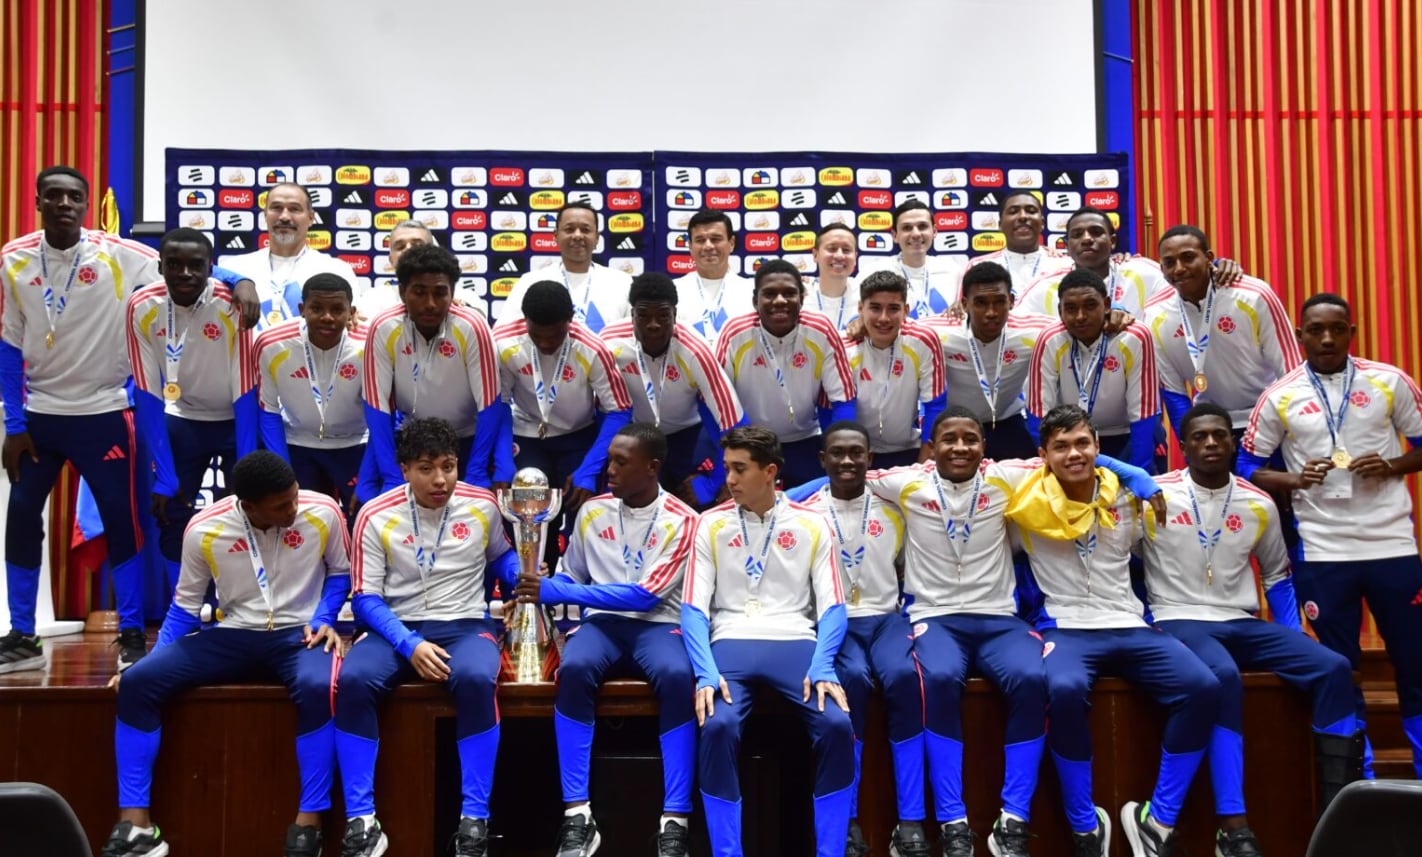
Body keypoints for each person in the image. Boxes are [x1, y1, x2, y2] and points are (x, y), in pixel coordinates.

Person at [824, 406, 1158, 857]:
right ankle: (953, 820)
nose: (960, 447)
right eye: (949, 439)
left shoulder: (1008, 476)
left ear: (985, 446)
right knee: (937, 679)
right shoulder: (906, 482)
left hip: (1000, 619)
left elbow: (1072, 456)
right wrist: (785, 493)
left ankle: (1012, 819)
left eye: (970, 439)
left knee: (1033, 678)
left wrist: (1138, 476)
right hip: (936, 617)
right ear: (931, 448)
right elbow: (840, 479)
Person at [101, 450, 350, 857]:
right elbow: (185, 607)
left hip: (299, 634)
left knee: (319, 685)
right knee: (138, 683)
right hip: (234, 633)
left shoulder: (323, 510)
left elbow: (340, 573)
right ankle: (136, 826)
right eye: (281, 506)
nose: (293, 508)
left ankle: (309, 823)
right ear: (248, 506)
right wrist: (153, 658)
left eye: (294, 496)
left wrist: (324, 617)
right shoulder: (205, 527)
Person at [1140, 402, 1360, 856]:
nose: (1210, 443)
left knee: (1334, 667)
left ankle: (1339, 815)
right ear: (1183, 446)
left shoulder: (1259, 502)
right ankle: (1233, 826)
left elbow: (1277, 575)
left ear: (1233, 442)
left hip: (1241, 620)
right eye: (1199, 437)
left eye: (1219, 435)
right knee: (1223, 676)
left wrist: (1292, 632)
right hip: (1176, 616)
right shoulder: (1155, 496)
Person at [1007, 404, 1218, 857]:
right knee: (1062, 690)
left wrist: (1135, 475)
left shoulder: (1127, 495)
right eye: (1061, 447)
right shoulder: (1024, 499)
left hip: (1128, 622)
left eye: (1083, 444)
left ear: (1098, 447)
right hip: (1065, 624)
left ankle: (1157, 821)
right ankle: (1086, 826)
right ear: (1043, 455)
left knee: (1203, 687)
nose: (1074, 454)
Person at [1240, 293, 1422, 778]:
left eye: (1337, 329)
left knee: (1416, 662)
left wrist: (1393, 465)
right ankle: (1358, 779)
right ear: (1300, 335)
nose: (1326, 339)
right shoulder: (1279, 395)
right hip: (1323, 551)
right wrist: (1294, 480)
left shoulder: (1389, 381)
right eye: (1316, 330)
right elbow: (1247, 466)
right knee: (1340, 668)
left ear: (1351, 333)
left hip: (1392, 546)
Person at [0, 166, 165, 672]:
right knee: (21, 516)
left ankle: (131, 633)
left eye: (74, 197)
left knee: (122, 520)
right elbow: (9, 346)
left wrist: (237, 281)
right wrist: (14, 426)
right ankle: (23, 636)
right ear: (38, 203)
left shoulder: (122, 255)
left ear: (87, 204)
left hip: (105, 412)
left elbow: (189, 267)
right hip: (40, 418)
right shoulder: (13, 259)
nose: (65, 204)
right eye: (54, 196)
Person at [512, 422, 699, 857]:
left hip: (658, 624)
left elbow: (646, 595)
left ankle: (675, 820)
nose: (608, 469)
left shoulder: (684, 520)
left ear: (651, 467)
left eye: (620, 462)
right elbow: (571, 574)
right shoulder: (592, 511)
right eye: (609, 459)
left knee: (676, 676)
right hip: (602, 626)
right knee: (573, 669)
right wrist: (542, 584)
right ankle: (577, 815)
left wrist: (561, 592)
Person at [336, 417, 519, 857]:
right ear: (404, 469)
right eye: (426, 468)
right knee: (353, 680)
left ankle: (474, 820)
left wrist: (522, 575)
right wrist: (408, 643)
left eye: (448, 466)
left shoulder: (483, 505)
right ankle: (361, 821)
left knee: (476, 679)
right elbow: (365, 598)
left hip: (465, 624)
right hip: (394, 629)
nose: (440, 480)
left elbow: (502, 557)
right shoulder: (375, 514)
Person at [681, 426, 854, 857]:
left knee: (837, 726)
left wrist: (823, 664)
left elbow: (834, 605)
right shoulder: (709, 523)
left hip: (794, 639)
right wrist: (705, 673)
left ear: (770, 472)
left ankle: (831, 850)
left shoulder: (812, 523)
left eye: (740, 469)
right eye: (727, 468)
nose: (729, 479)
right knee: (717, 726)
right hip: (730, 640)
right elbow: (693, 609)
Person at [797, 423, 929, 857]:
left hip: (886, 618)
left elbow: (906, 567)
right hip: (835, 622)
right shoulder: (807, 512)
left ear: (871, 459)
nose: (847, 461)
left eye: (856, 452)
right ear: (823, 460)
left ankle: (911, 822)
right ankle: (849, 822)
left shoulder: (895, 508)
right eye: (837, 453)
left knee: (906, 677)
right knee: (849, 681)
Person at [126, 228, 259, 593]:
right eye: (174, 265)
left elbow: (246, 390)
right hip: (183, 419)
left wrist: (246, 465)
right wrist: (164, 474)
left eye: (195, 265)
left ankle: (236, 606)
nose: (185, 273)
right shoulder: (142, 306)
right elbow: (148, 394)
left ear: (210, 268)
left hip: (236, 422)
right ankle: (183, 608)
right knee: (171, 513)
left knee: (247, 515)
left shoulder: (231, 303)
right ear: (160, 266)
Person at [362, 244, 501, 496]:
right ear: (402, 292)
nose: (430, 304)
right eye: (419, 292)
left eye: (440, 293)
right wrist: (391, 474)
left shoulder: (472, 326)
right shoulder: (383, 327)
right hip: (411, 441)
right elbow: (377, 405)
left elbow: (490, 404)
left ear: (453, 292)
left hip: (467, 439)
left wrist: (477, 469)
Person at [492, 281, 633, 524]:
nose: (546, 344)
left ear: (570, 320)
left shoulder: (592, 348)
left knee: (582, 513)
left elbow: (619, 410)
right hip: (526, 436)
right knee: (529, 518)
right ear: (525, 321)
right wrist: (502, 460)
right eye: (537, 336)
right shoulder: (502, 342)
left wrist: (590, 468)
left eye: (556, 335)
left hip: (577, 437)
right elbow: (499, 403)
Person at [600, 273, 746, 506]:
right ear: (632, 315)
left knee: (697, 501)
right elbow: (596, 408)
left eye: (663, 316)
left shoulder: (694, 349)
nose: (653, 325)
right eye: (643, 316)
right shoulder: (609, 342)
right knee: (629, 503)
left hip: (687, 434)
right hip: (635, 436)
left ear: (675, 315)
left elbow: (733, 422)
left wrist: (713, 483)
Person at [1144, 225, 1299, 438]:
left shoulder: (1253, 295)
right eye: (1169, 263)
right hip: (1211, 426)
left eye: (1188, 258)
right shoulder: (1154, 313)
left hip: (1268, 419)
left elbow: (1290, 372)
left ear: (1209, 258)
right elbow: (1173, 392)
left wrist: (1291, 430)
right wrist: (1190, 439)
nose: (1179, 269)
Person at [715, 260, 856, 486]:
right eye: (769, 294)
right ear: (755, 301)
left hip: (806, 440)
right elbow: (719, 403)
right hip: (751, 445)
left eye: (789, 293)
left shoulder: (821, 329)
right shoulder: (734, 333)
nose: (780, 301)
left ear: (802, 298)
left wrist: (839, 453)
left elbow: (843, 400)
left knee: (815, 503)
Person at [255, 273, 370, 524]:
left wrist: (369, 474)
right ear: (302, 310)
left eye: (337, 309)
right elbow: (268, 409)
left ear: (351, 312)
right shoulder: (272, 343)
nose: (327, 317)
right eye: (316, 308)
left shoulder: (369, 343)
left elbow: (381, 410)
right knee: (303, 525)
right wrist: (283, 471)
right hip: (297, 444)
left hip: (355, 445)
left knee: (361, 520)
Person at [1025, 268, 1162, 471]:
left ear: (1106, 305)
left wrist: (1137, 473)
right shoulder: (1050, 340)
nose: (1080, 316)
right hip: (1069, 440)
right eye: (1071, 308)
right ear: (1060, 310)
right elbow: (1039, 415)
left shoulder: (1134, 336)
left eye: (1090, 306)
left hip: (1125, 435)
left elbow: (1144, 414)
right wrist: (1055, 464)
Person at [921, 262, 1050, 461]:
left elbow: (1075, 324)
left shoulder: (1034, 331)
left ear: (1011, 301)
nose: (991, 312)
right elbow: (896, 327)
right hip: (954, 424)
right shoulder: (938, 332)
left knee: (1035, 473)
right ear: (965, 304)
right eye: (980, 303)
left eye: (999, 302)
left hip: (1007, 422)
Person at [218, 182, 362, 328]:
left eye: (294, 209)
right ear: (265, 215)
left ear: (311, 218)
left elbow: (353, 323)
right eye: (276, 208)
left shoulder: (337, 270)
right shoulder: (233, 269)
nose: (284, 217)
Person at [843, 271, 945, 468]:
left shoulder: (923, 340)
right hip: (860, 453)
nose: (884, 318)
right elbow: (839, 407)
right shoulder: (845, 346)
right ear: (861, 309)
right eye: (875, 308)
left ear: (906, 311)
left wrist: (923, 468)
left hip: (910, 449)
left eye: (893, 309)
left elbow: (935, 405)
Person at [497, 202, 631, 333]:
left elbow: (633, 336)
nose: (577, 235)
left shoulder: (621, 282)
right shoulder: (531, 281)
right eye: (569, 229)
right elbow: (505, 334)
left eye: (585, 230)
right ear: (556, 236)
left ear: (597, 238)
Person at [1014, 207, 1169, 319]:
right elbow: (1014, 328)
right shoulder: (1044, 287)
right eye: (1077, 234)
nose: (1087, 239)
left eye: (1096, 232)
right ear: (1067, 246)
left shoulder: (1146, 274)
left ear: (1113, 241)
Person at [856, 199, 968, 318]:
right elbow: (856, 316)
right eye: (907, 228)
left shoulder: (953, 271)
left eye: (922, 226)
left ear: (934, 231)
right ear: (895, 235)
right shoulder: (873, 271)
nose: (916, 234)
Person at [673, 209, 753, 343]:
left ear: (731, 243)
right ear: (690, 246)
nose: (708, 246)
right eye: (700, 240)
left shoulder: (751, 290)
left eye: (716, 239)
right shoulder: (674, 289)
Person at [969, 191, 1072, 296]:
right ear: (1000, 225)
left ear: (1042, 223)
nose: (1023, 217)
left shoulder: (1066, 265)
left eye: (1031, 211)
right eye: (1013, 212)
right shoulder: (977, 266)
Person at [357, 220, 436, 322]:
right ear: (391, 260)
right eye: (400, 247)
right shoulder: (371, 301)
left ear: (434, 254)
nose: (408, 250)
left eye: (417, 245)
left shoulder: (454, 298)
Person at [804, 223, 859, 332]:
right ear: (815, 255)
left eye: (846, 250)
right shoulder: (800, 294)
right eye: (832, 249)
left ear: (855, 257)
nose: (839, 256)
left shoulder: (866, 295)